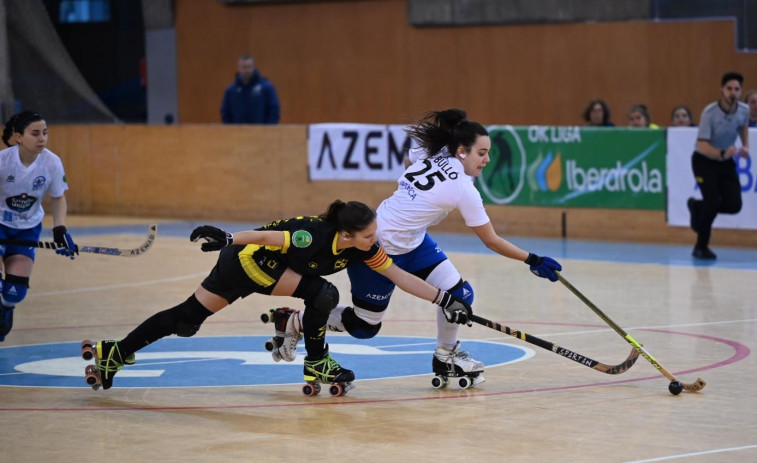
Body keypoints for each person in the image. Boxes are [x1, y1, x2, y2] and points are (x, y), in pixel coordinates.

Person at [265, 109, 562, 386]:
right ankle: (293, 320)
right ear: (462, 151)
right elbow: (491, 240)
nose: (486, 160)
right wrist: (532, 258)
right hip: (375, 247)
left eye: (488, 153)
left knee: (461, 294)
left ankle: (446, 355)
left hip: (416, 242)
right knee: (365, 326)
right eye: (481, 153)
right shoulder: (463, 189)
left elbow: (411, 163)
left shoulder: (430, 153)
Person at [84, 200, 475, 391]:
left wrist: (445, 299)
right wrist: (227, 236)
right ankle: (317, 363)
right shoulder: (316, 234)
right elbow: (267, 237)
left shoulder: (365, 249)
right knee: (323, 293)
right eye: (370, 235)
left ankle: (113, 353)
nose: (377, 241)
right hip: (247, 260)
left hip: (252, 269)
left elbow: (402, 277)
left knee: (186, 321)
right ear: (347, 234)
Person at [0, 111, 77, 341]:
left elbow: (58, 198)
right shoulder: (3, 161)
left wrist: (60, 229)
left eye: (44, 133)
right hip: (0, 224)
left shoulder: (52, 162)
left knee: (15, 293)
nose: (42, 138)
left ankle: (5, 308)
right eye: (35, 133)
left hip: (28, 228)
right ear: (18, 137)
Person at [687, 72, 750, 260]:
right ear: (721, 90)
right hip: (704, 160)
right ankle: (701, 246)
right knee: (712, 203)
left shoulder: (744, 110)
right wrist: (721, 153)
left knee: (734, 205)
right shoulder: (710, 112)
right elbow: (702, 144)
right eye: (729, 88)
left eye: (737, 89)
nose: (733, 93)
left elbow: (743, 126)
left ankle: (697, 206)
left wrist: (745, 146)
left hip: (725, 162)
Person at [220, 53, 280, 124]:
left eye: (249, 67)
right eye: (244, 67)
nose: (247, 70)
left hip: (261, 131)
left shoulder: (266, 87)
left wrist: (269, 129)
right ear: (239, 68)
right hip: (237, 132)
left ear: (254, 67)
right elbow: (225, 111)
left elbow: (274, 108)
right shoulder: (231, 90)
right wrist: (230, 129)